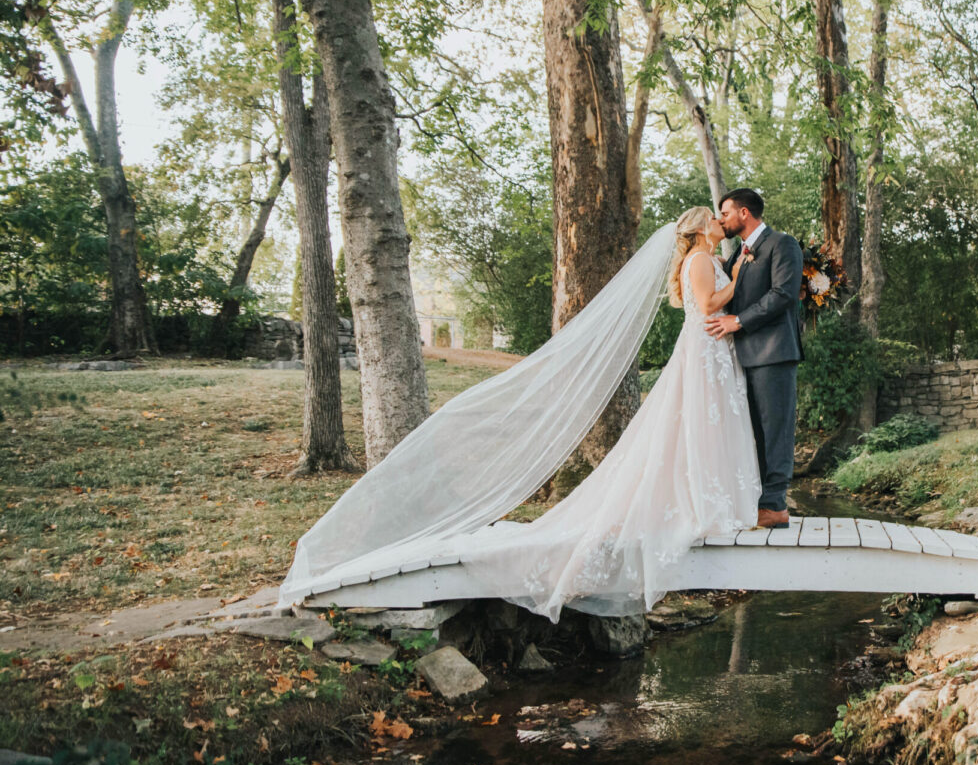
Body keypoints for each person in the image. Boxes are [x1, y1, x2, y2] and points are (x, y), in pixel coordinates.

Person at [277, 206, 763, 620]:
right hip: (705, 351)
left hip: (711, 353)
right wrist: (737, 277)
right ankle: (702, 503)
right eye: (715, 218)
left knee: (697, 427)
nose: (722, 221)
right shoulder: (701, 258)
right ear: (701, 228)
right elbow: (706, 305)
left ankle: (705, 499)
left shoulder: (704, 254)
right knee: (694, 426)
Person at [705, 189, 805, 529]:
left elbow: (783, 294)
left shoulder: (782, 244)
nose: (721, 220)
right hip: (743, 357)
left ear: (744, 213)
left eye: (725, 213)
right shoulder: (739, 255)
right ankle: (756, 500)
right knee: (753, 432)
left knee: (775, 430)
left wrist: (738, 321)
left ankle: (775, 505)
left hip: (774, 353)